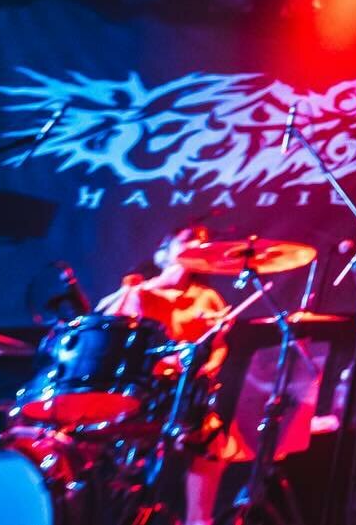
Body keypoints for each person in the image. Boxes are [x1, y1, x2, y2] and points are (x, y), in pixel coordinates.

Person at [97, 223, 247, 525]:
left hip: (182, 393)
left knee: (211, 438)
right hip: (139, 392)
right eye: (188, 239)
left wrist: (206, 367)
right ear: (163, 252)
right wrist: (147, 287)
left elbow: (219, 347)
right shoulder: (138, 289)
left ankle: (198, 519)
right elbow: (107, 324)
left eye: (202, 241)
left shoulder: (207, 297)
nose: (197, 244)